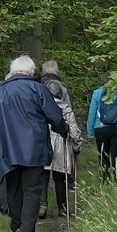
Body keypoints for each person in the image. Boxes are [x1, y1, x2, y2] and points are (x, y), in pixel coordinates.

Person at [0, 53, 72, 232]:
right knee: (32, 190)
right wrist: (64, 130)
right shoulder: (38, 89)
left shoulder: (0, 91)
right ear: (31, 71)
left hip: (8, 150)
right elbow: (54, 116)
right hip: (34, 149)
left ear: (13, 71)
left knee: (13, 189)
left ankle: (17, 226)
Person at [39, 60, 80, 221]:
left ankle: (42, 205)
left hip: (42, 141)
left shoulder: (40, 103)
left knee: (42, 173)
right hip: (61, 143)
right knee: (60, 176)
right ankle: (62, 207)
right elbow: (73, 128)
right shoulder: (65, 105)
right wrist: (76, 145)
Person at [86, 79, 117, 179]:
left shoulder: (97, 93)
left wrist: (90, 131)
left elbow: (92, 113)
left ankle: (105, 181)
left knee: (103, 157)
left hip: (100, 129)